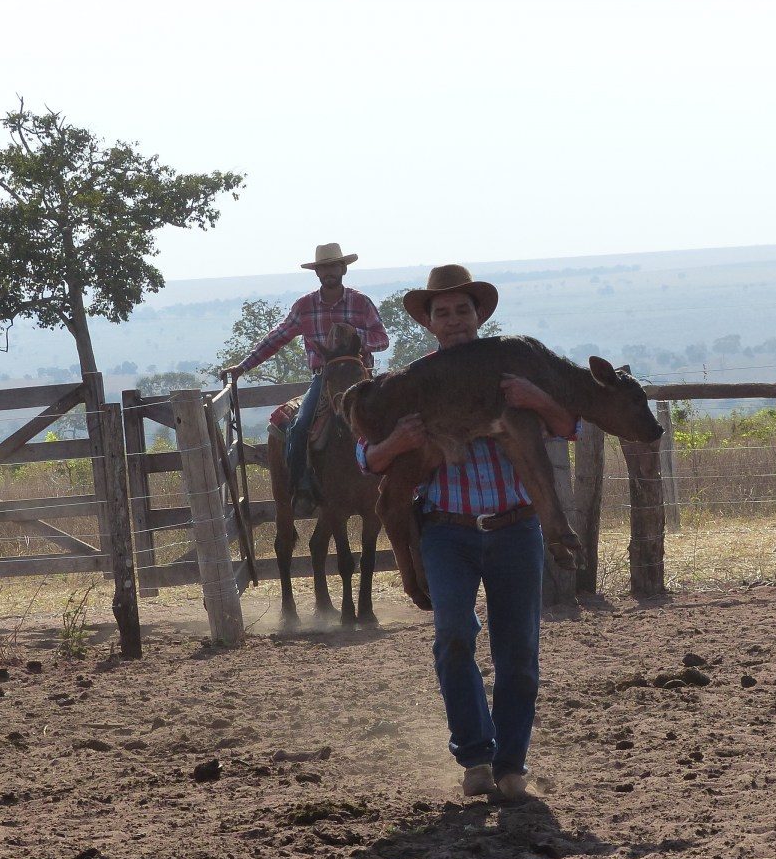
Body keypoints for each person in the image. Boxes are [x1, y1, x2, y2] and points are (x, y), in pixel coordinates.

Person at [356, 265, 577, 801]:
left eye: (462, 310)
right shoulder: (416, 381)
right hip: (446, 532)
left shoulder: (512, 373)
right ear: (429, 324)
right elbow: (367, 458)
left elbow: (570, 426)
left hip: (514, 527)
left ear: (478, 316)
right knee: (454, 637)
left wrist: (537, 399)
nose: (453, 320)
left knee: (518, 650)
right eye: (442, 312)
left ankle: (511, 766)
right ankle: (476, 756)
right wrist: (395, 446)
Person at [221, 243, 388, 515]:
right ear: (317, 272)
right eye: (323, 267)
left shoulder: (361, 303)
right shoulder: (305, 306)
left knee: (391, 421)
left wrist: (355, 338)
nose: (329, 272)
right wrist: (243, 367)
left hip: (361, 380)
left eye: (333, 266)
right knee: (299, 427)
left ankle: (398, 484)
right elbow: (276, 338)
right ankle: (302, 487)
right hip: (324, 380)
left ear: (343, 269)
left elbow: (382, 340)